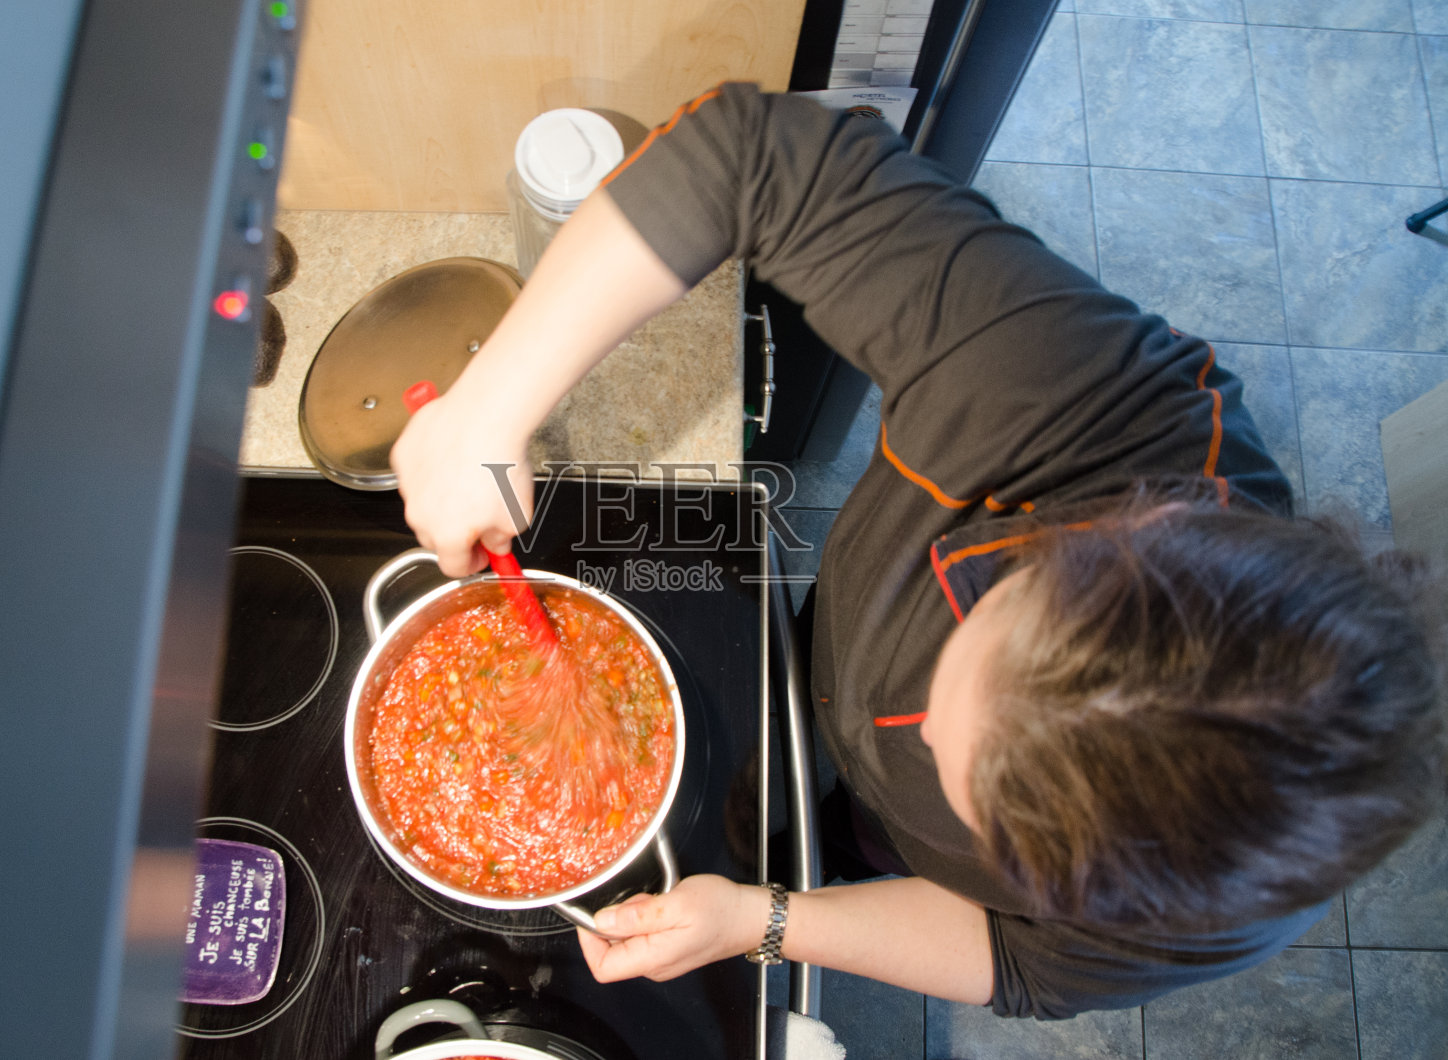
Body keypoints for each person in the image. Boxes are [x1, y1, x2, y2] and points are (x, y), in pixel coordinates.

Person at [390, 83, 1446, 1018]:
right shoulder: (1076, 396)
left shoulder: (1216, 895)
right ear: (1125, 526)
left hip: (882, 849)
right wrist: (486, 413)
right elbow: (753, 157)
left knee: (843, 835)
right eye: (980, 641)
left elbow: (1020, 962)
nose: (923, 728)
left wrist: (759, 918)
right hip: (825, 653)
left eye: (984, 805)